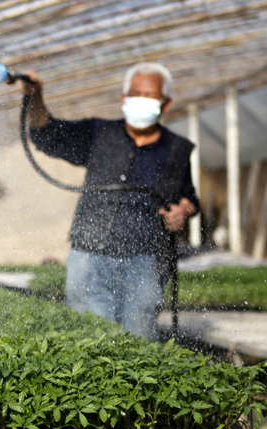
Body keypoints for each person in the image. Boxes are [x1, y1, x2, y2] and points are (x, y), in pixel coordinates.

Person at [16, 63, 198, 340]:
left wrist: (181, 212)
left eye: (150, 95)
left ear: (166, 103)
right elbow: (47, 135)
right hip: (90, 255)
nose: (141, 100)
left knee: (138, 344)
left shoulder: (177, 149)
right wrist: (35, 96)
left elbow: (189, 197)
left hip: (146, 261)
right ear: (124, 98)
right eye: (135, 93)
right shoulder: (99, 133)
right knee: (92, 340)